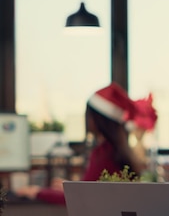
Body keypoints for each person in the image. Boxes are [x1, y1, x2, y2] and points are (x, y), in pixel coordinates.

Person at [16, 82, 157, 205]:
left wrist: (38, 192)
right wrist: (72, 187)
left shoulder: (104, 155)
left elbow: (83, 197)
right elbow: (93, 191)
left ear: (96, 120)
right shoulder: (118, 152)